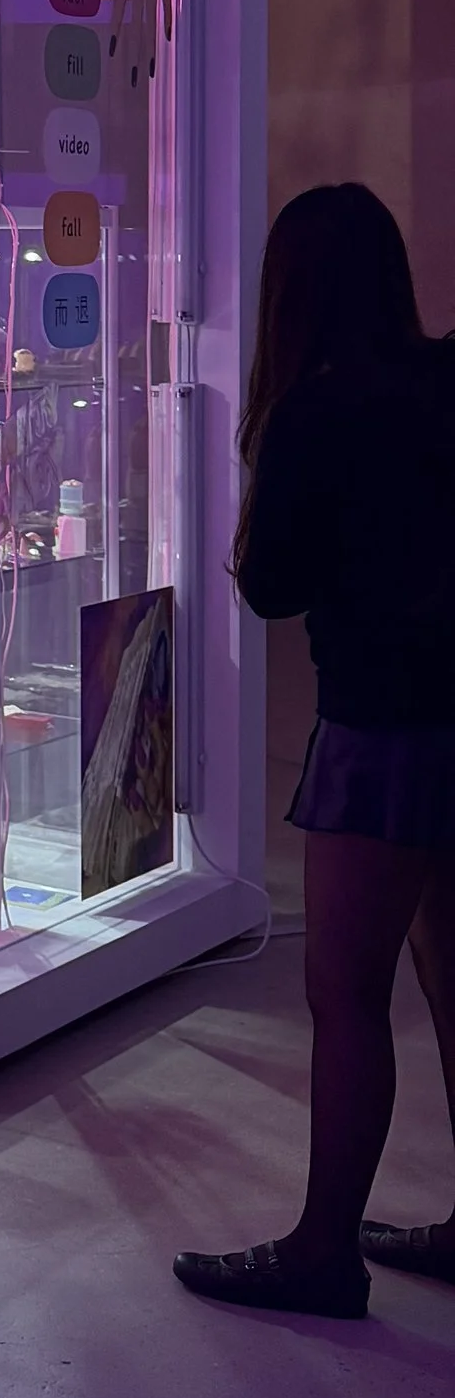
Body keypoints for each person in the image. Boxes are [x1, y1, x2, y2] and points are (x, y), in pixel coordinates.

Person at [175, 182, 455, 1317]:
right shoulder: (444, 375)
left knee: (345, 990)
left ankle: (324, 1250)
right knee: (448, 976)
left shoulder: (314, 412)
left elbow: (273, 588)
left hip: (381, 728)